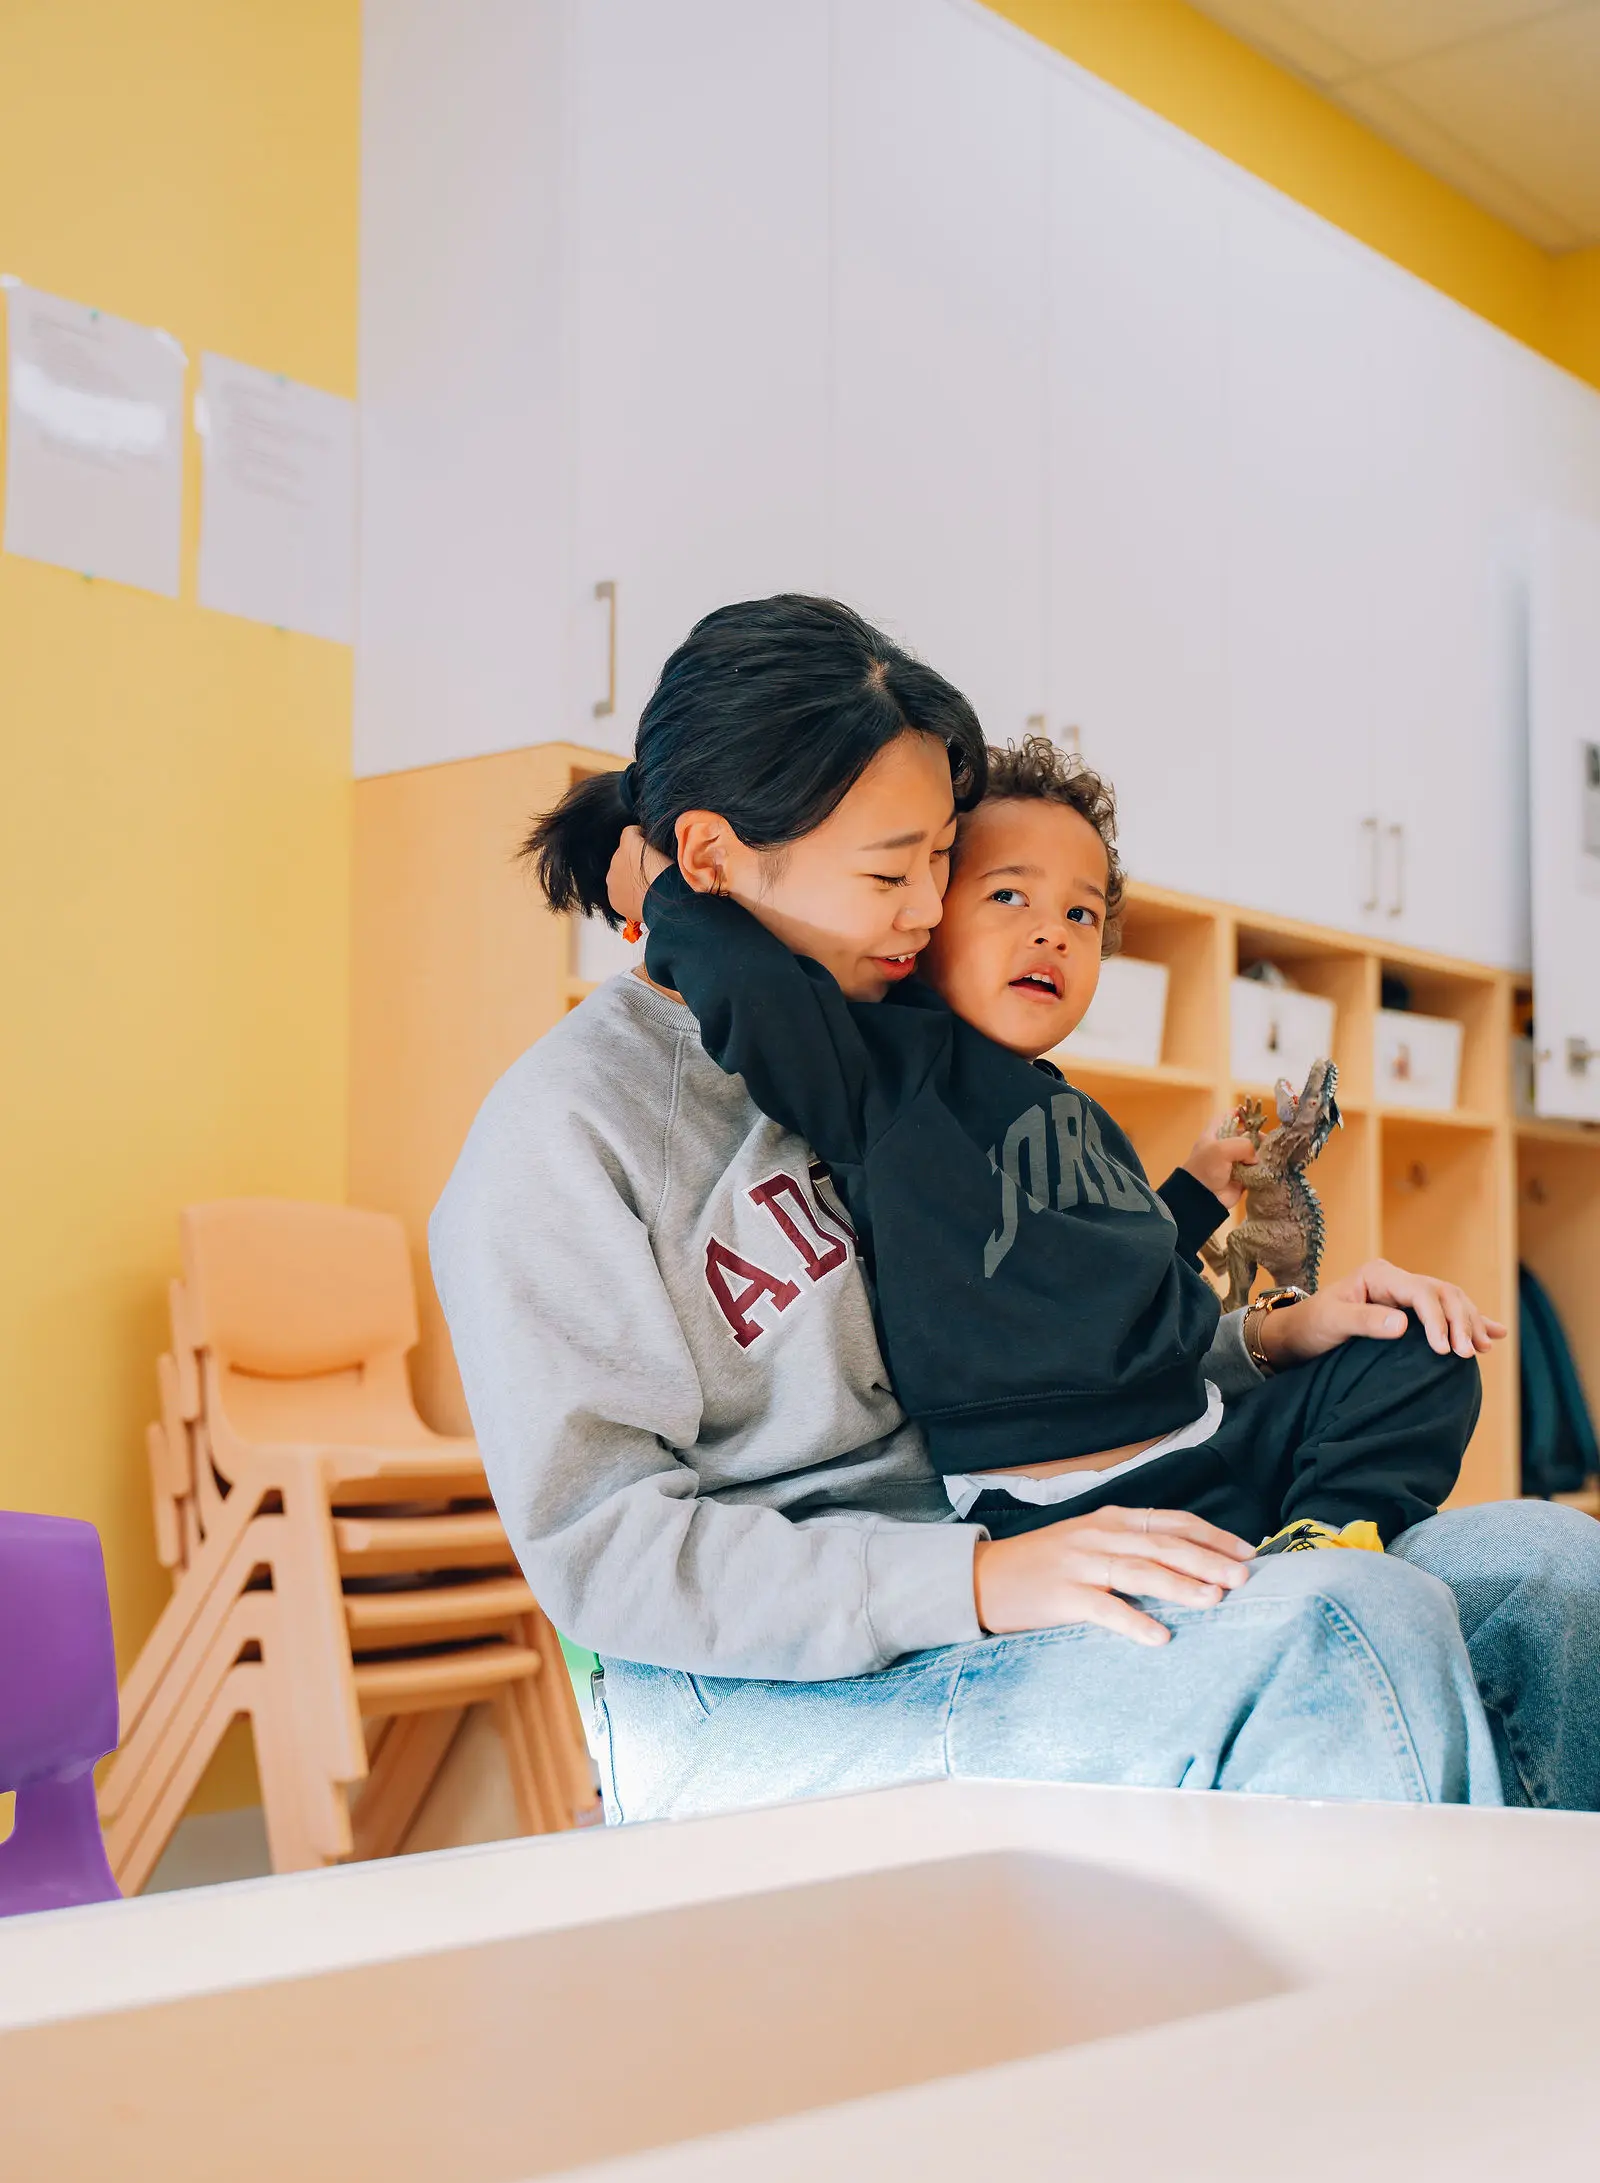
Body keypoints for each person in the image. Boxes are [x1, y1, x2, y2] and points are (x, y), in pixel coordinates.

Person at [429, 595, 1595, 1822]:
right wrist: (977, 1581)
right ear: (710, 860)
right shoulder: (562, 1138)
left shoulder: (924, 1052)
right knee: (1341, 1634)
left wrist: (1266, 1341)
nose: (931, 909)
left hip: (1042, 1563)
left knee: (1553, 1576)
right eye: (891, 871)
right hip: (779, 1681)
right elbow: (607, 1552)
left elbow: (1040, 1347)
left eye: (943, 859)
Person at [630, 734, 1494, 1558]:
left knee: (1426, 1354)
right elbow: (752, 988)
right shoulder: (884, 1075)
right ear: (923, 919)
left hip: (1207, 1434)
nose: (1052, 932)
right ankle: (1306, 1559)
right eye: (1008, 896)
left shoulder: (1069, 1107)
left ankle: (1329, 1533)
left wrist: (1190, 1199)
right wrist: (655, 878)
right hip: (1063, 1506)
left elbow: (1101, 1271)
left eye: (1081, 913)